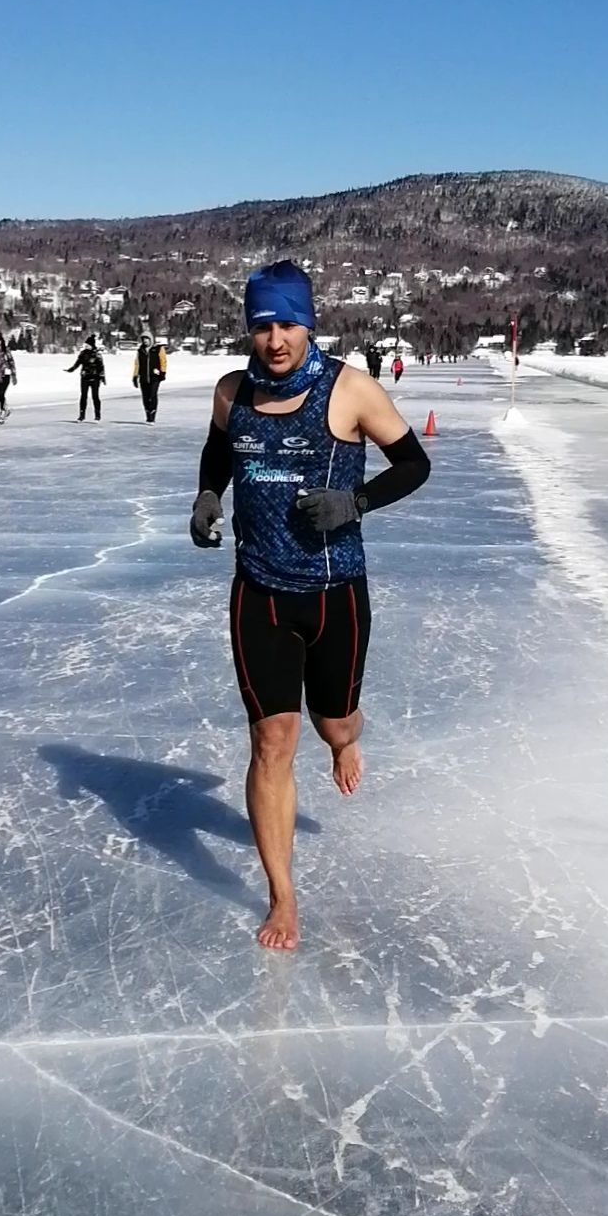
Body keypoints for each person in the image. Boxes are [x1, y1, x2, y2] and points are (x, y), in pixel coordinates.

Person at [189, 260, 431, 951]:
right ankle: (282, 896)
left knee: (334, 724)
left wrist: (354, 501)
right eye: (262, 325)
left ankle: (346, 741)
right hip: (259, 593)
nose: (275, 339)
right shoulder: (231, 391)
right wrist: (210, 496)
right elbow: (219, 452)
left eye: (288, 324)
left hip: (335, 596)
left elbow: (414, 464)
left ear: (309, 325)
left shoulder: (350, 390)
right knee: (271, 742)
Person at [66, 334, 105, 420]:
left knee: (95, 396)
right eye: (85, 345)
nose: (86, 346)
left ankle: (97, 415)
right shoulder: (83, 353)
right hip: (85, 377)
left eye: (88, 345)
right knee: (83, 396)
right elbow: (78, 363)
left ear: (91, 345)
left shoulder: (97, 354)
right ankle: (82, 415)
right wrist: (71, 369)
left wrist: (102, 377)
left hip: (95, 378)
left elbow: (101, 366)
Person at [132, 331, 167, 422]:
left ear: (151, 339)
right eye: (143, 339)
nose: (145, 341)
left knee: (153, 395)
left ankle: (152, 414)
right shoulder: (140, 350)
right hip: (143, 377)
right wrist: (135, 376)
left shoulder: (158, 348)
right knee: (145, 397)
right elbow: (137, 364)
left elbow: (163, 361)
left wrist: (162, 372)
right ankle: (147, 413)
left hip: (154, 377)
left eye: (147, 339)